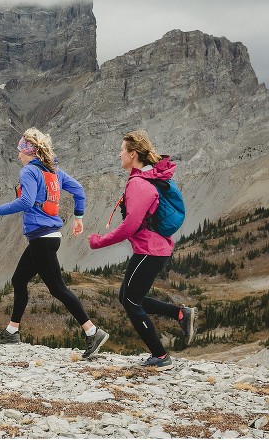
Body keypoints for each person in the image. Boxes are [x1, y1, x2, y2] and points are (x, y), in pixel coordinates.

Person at [0, 127, 109, 359]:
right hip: (48, 238)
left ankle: (92, 331)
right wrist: (79, 217)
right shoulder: (55, 173)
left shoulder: (29, 172)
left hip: (42, 238)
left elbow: (25, 201)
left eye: (20, 151)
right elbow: (79, 191)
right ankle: (12, 330)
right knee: (19, 279)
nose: (18, 156)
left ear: (28, 152)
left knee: (57, 288)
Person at [88, 130, 196, 371]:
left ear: (133, 154)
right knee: (128, 297)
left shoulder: (139, 184)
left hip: (150, 251)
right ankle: (180, 314)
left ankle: (160, 355)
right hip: (154, 249)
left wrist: (98, 241)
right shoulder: (149, 178)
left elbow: (129, 226)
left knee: (130, 300)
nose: (119, 154)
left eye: (122, 150)